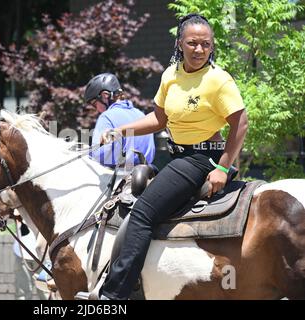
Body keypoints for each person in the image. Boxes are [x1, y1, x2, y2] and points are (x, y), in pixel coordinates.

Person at [81, 13, 248, 300]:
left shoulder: (218, 80)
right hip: (178, 158)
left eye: (206, 45)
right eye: (193, 43)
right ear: (180, 43)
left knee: (142, 213)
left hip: (201, 159)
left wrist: (223, 167)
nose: (199, 50)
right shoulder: (170, 76)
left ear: (212, 46)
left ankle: (113, 295)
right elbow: (159, 119)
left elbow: (240, 122)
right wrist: (122, 130)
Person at [84, 73, 156, 168]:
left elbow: (98, 156)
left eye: (94, 104)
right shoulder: (141, 114)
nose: (96, 109)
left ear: (105, 96)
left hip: (121, 176)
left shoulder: (106, 117)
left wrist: (87, 154)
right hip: (147, 174)